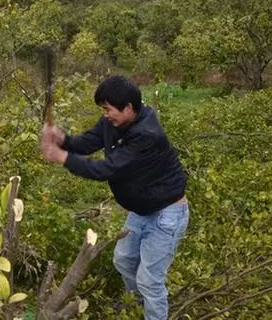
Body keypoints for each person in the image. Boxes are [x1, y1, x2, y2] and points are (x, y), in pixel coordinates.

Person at [40, 75, 188, 320]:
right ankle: (138, 306)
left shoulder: (147, 135)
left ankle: (153, 311)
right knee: (124, 259)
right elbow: (89, 142)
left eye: (108, 109)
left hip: (167, 213)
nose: (105, 114)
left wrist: (61, 157)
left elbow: (104, 170)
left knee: (150, 280)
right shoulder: (114, 121)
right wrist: (63, 140)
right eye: (103, 109)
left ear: (128, 107)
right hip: (142, 210)